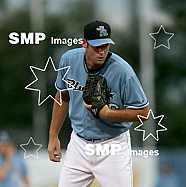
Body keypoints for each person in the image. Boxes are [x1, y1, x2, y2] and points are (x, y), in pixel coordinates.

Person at [48, 20, 149, 187]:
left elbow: (144, 113)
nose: (102, 52)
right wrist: (53, 136)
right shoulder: (68, 60)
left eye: (105, 46)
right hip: (79, 143)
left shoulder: (123, 72)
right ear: (84, 43)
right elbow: (62, 96)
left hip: (112, 146)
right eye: (96, 46)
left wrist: (107, 113)